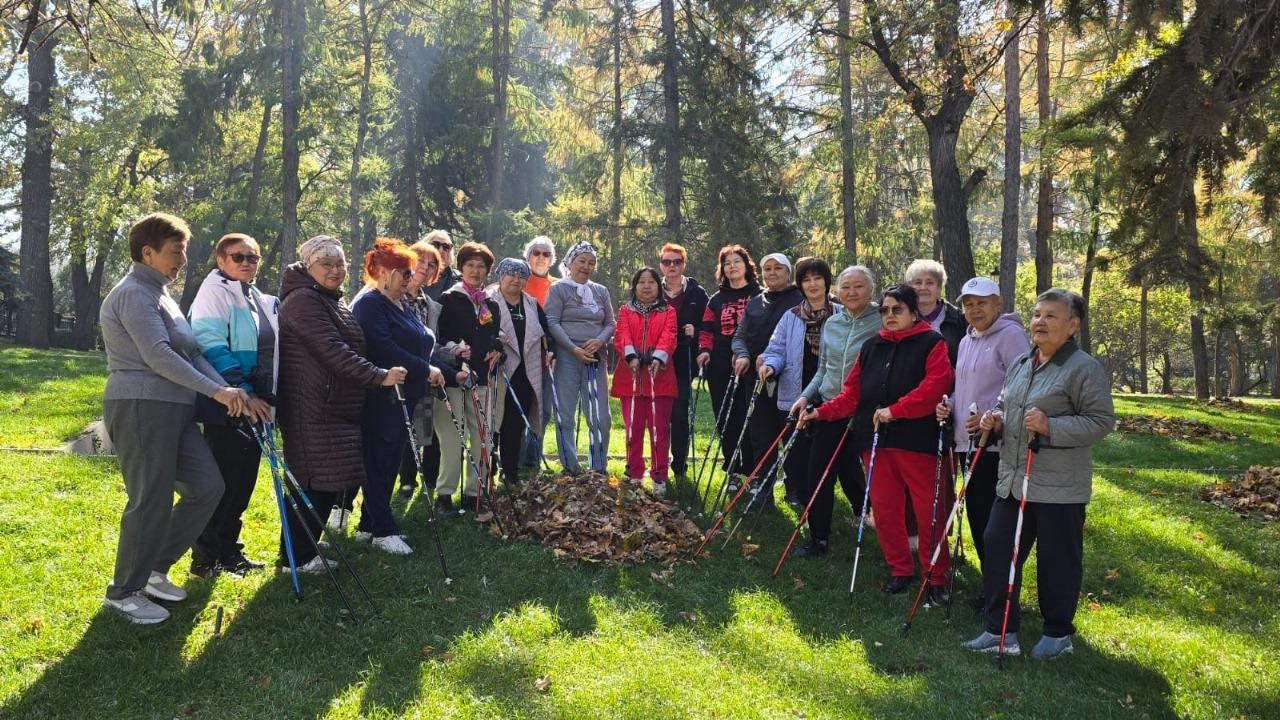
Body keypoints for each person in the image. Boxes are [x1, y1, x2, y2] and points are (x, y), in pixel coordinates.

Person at [98, 213, 252, 624]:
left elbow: (194, 352)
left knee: (207, 487)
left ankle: (153, 569)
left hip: (177, 409)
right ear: (147, 252)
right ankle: (124, 591)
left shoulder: (163, 294)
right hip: (141, 406)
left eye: (183, 250)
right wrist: (217, 391)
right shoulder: (134, 294)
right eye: (175, 251)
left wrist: (229, 391)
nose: (183, 258)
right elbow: (158, 355)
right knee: (151, 498)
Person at [962, 288, 1114, 661]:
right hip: (1013, 480)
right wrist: (994, 419)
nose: (1039, 322)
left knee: (1057, 561)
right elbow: (1005, 402)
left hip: (1059, 488)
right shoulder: (1022, 363)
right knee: (998, 547)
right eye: (1036, 315)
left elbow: (1101, 422)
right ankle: (1001, 630)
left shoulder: (1083, 368)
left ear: (1073, 325)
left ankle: (1057, 633)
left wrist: (1051, 426)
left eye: (1050, 316)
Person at [798, 285, 954, 598]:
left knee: (929, 512)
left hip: (918, 441)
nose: (890, 315)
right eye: (884, 310)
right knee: (885, 510)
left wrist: (895, 411)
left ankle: (935, 576)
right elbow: (851, 395)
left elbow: (936, 387)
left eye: (898, 309)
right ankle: (900, 569)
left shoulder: (932, 342)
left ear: (913, 312)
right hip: (875, 442)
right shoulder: (871, 347)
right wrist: (821, 413)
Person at [277, 235, 407, 571]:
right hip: (312, 407)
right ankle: (296, 557)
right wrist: (379, 375)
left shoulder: (330, 299)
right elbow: (332, 351)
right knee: (313, 483)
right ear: (309, 267)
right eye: (326, 264)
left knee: (325, 483)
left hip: (334, 407)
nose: (335, 270)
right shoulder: (303, 301)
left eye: (340, 264)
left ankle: (302, 550)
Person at [188, 232, 279, 578]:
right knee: (224, 482)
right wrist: (241, 389)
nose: (246, 263)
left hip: (252, 402)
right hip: (226, 401)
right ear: (221, 261)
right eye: (238, 257)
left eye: (252, 257)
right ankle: (204, 559)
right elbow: (210, 343)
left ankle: (229, 551)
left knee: (242, 483)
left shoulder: (253, 295)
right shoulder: (214, 291)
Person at [935, 276, 1029, 605]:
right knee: (977, 517)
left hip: (997, 444)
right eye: (968, 304)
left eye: (982, 303)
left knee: (994, 524)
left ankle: (1002, 593)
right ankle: (992, 588)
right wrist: (949, 403)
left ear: (998, 304)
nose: (975, 309)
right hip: (967, 442)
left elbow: (1020, 388)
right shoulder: (966, 339)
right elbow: (964, 388)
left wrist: (992, 414)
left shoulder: (1012, 336)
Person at [352, 238, 446, 555]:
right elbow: (384, 348)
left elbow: (420, 339)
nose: (410, 277)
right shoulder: (370, 304)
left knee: (389, 460)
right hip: (382, 395)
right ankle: (383, 529)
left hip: (407, 393)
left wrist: (431, 366)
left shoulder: (401, 303)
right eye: (404, 272)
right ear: (384, 272)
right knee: (380, 462)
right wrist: (427, 368)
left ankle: (368, 524)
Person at [787, 265, 881, 555]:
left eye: (858, 286)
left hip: (866, 411)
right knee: (819, 473)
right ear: (838, 290)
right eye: (846, 286)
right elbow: (823, 369)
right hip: (829, 407)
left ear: (871, 290)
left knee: (860, 472)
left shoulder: (882, 320)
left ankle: (878, 523)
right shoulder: (833, 323)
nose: (851, 292)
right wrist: (805, 397)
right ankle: (819, 537)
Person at [434, 241, 504, 514]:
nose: (476, 271)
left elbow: (493, 339)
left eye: (481, 267)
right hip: (453, 379)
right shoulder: (448, 299)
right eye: (470, 266)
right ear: (461, 268)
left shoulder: (491, 305)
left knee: (483, 437)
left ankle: (474, 493)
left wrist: (498, 351)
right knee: (452, 439)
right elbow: (437, 341)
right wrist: (455, 356)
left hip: (482, 380)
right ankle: (444, 495)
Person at [759, 257, 832, 506]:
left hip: (831, 395)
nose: (812, 284)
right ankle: (800, 497)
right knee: (795, 451)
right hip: (794, 391)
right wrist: (770, 365)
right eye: (806, 279)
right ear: (800, 284)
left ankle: (828, 502)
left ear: (826, 281)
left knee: (827, 454)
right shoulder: (790, 317)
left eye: (817, 278)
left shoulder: (841, 314)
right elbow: (776, 349)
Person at [395, 241, 464, 499]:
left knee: (421, 430)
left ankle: (417, 481)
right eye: (420, 261)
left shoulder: (433, 307)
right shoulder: (389, 297)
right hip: (394, 375)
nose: (425, 267)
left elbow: (431, 346)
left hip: (424, 377)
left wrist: (452, 353)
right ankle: (404, 482)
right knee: (398, 433)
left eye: (432, 264)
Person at [733, 253, 803, 489]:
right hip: (756, 377)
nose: (772, 273)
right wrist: (742, 355)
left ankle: (794, 488)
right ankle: (763, 487)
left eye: (778, 269)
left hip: (791, 378)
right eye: (767, 269)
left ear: (788, 272)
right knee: (761, 434)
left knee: (791, 433)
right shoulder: (755, 302)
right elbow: (740, 336)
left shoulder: (800, 299)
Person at [546, 242, 616, 473]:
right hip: (568, 356)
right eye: (582, 261)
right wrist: (572, 348)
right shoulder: (558, 289)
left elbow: (610, 323)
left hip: (596, 356)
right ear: (569, 263)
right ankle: (571, 467)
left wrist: (601, 340)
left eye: (591, 263)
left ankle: (598, 466)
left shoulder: (601, 291)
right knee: (565, 414)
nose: (586, 266)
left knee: (600, 415)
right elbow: (552, 322)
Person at [611, 267, 678, 494]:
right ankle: (634, 472)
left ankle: (659, 476)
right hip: (629, 378)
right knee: (633, 429)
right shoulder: (625, 311)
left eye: (652, 282)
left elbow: (669, 336)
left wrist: (658, 357)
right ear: (634, 286)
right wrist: (630, 356)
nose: (647, 286)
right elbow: (622, 335)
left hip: (660, 380)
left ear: (659, 286)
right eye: (642, 282)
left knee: (659, 431)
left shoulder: (668, 311)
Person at [696, 245, 760, 473]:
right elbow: (705, 330)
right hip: (721, 365)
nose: (731, 266)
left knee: (751, 417)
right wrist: (704, 350)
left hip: (753, 365)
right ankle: (732, 463)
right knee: (725, 416)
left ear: (747, 266)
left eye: (737, 262)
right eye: (727, 263)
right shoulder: (716, 299)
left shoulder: (759, 295)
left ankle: (753, 468)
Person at [489, 257, 551, 484]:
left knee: (515, 424)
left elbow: (546, 333)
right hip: (497, 371)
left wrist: (550, 351)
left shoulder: (532, 304)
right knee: (493, 422)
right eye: (511, 274)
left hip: (526, 373)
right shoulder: (488, 299)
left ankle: (510, 471)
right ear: (500, 275)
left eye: (521, 276)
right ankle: (488, 471)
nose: (516, 280)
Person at [657, 243, 709, 482]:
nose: (672, 266)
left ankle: (679, 466)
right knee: (657, 416)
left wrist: (695, 331)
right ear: (661, 265)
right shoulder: (652, 288)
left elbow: (709, 327)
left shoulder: (697, 293)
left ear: (683, 264)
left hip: (683, 360)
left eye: (676, 262)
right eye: (667, 262)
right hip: (656, 360)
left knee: (679, 415)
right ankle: (658, 464)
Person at [905, 258, 966, 367]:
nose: (923, 287)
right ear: (910, 287)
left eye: (930, 283)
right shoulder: (901, 317)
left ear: (939, 288)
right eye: (918, 283)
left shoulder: (959, 319)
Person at [423, 230, 459, 300]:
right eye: (435, 245)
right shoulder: (411, 278)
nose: (441, 250)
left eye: (446, 246)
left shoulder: (461, 281)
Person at [522, 236, 557, 306]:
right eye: (536, 253)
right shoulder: (518, 283)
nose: (541, 257)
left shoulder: (559, 286)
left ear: (550, 260)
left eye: (546, 254)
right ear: (528, 257)